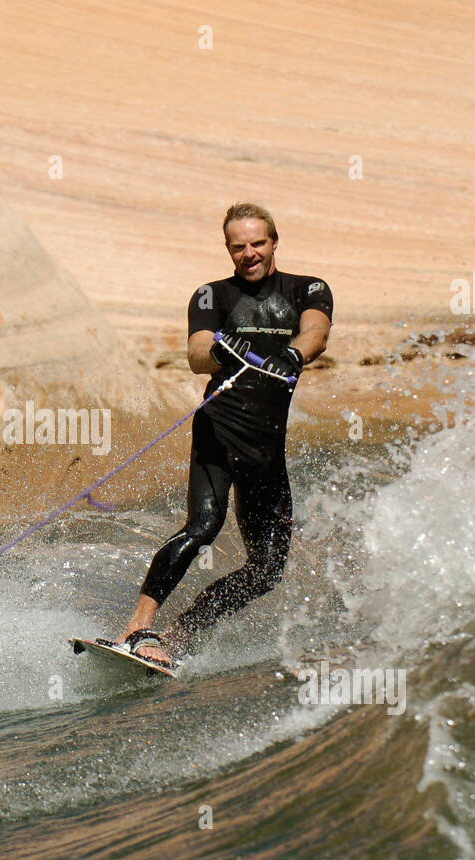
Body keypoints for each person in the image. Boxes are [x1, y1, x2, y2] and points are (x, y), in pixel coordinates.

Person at [115, 202, 332, 667]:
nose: (249, 254)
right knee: (203, 527)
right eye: (239, 247)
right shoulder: (211, 295)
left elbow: (317, 331)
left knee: (267, 569)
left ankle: (180, 636)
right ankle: (135, 629)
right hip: (219, 433)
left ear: (274, 241)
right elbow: (195, 354)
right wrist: (219, 353)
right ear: (229, 250)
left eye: (258, 243)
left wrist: (293, 355)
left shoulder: (306, 289)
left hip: (266, 447)